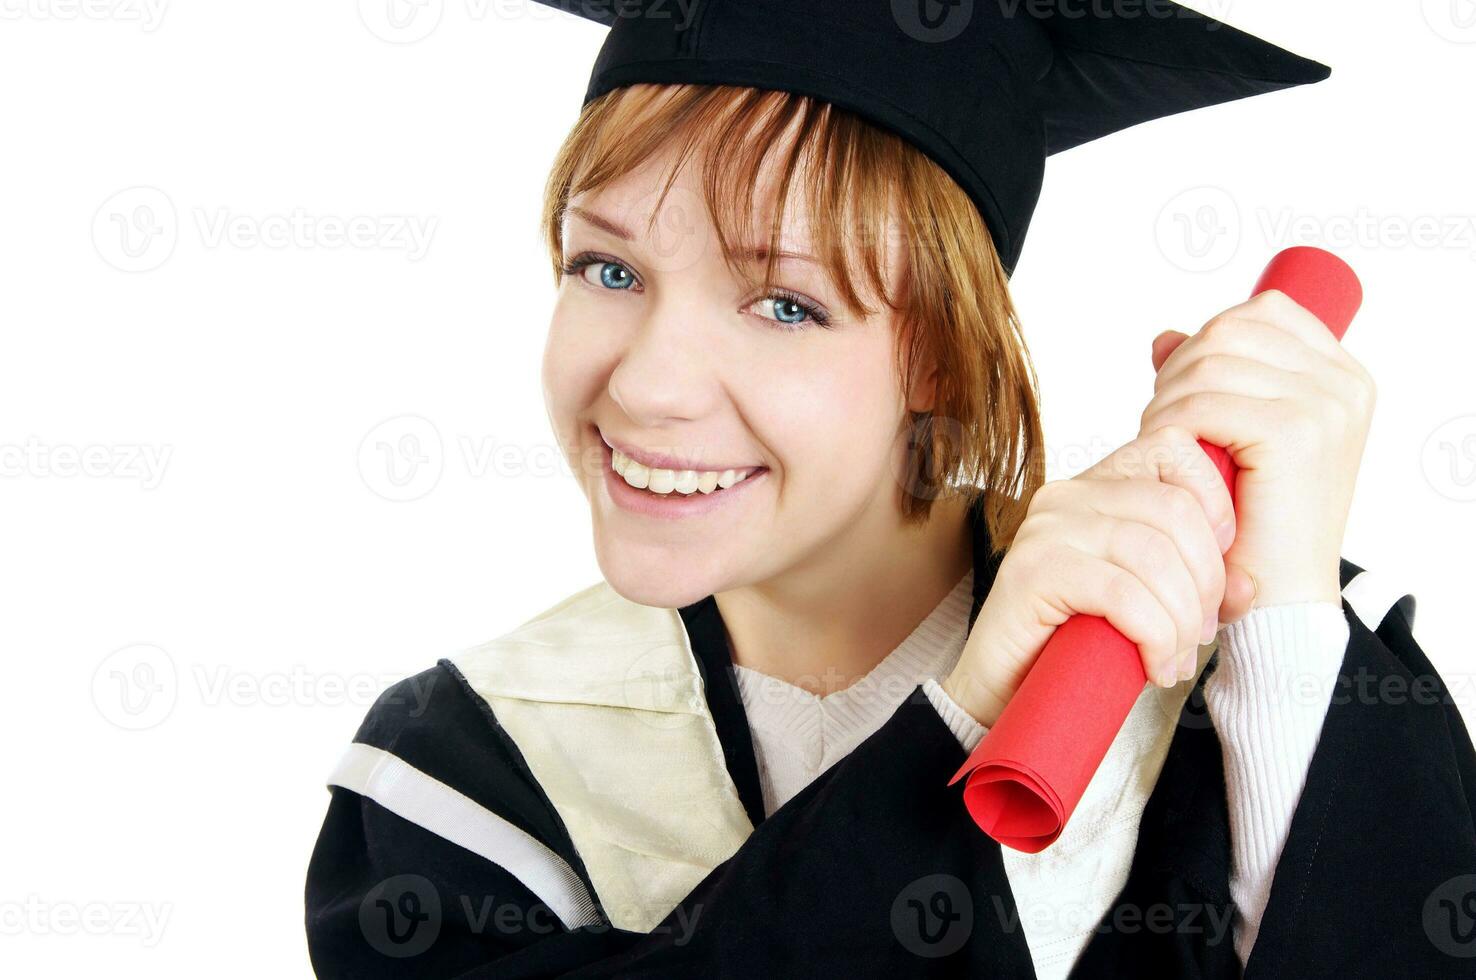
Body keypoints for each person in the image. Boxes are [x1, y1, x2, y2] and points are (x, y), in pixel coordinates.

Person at [305, 3, 1476, 977]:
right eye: (608, 267)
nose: (649, 384)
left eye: (784, 304)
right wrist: (964, 723)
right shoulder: (459, 772)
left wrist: (1279, 634)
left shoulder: (1237, 670)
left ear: (944, 355)